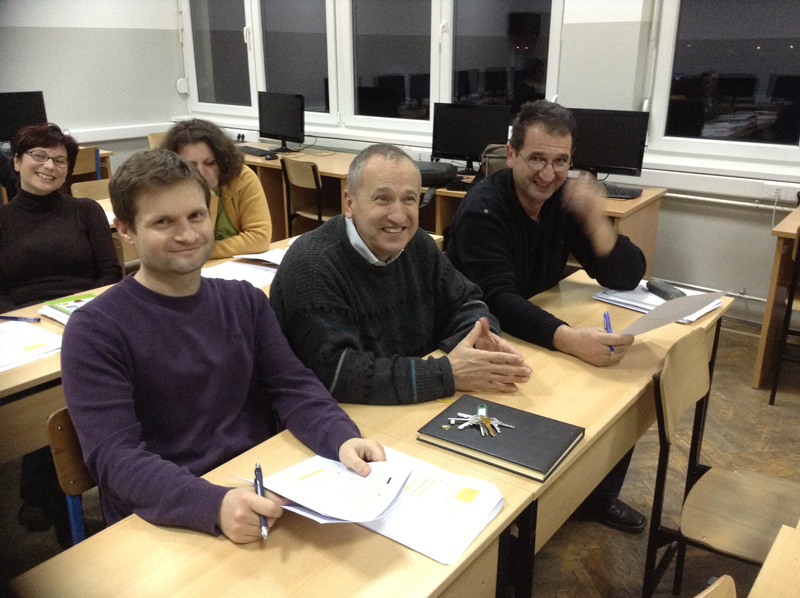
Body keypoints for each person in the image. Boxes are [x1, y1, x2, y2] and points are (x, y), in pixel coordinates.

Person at [60, 149, 384, 542]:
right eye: (163, 222)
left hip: (257, 491)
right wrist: (213, 504)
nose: (187, 235)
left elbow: (293, 385)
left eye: (196, 216)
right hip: (164, 518)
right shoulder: (94, 330)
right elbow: (115, 459)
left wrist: (340, 437)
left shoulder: (244, 301)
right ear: (125, 229)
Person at [446, 100, 647, 533]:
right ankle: (528, 517)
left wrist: (597, 221)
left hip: (535, 323)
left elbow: (628, 275)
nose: (548, 174)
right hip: (484, 333)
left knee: (619, 393)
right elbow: (498, 299)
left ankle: (596, 496)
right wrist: (570, 338)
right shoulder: (484, 209)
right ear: (511, 154)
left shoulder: (562, 201)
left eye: (561, 162)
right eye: (536, 158)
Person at [270, 143, 531, 406]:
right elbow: (335, 373)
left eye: (409, 199)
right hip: (337, 417)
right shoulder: (313, 266)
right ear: (349, 203)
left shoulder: (418, 245)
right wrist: (447, 373)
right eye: (382, 198)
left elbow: (465, 303)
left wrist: (479, 338)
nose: (398, 216)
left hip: (407, 407)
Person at [0, 122, 122, 544]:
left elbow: (110, 274)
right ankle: (51, 498)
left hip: (85, 318)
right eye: (39, 156)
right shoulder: (2, 221)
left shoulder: (85, 211)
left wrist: (84, 314)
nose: (49, 166)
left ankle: (57, 493)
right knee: (43, 398)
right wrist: (26, 318)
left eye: (59, 160)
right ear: (17, 162)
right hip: (25, 327)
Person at [161, 119, 272, 259]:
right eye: (191, 166)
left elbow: (259, 238)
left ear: (222, 161)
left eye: (210, 163)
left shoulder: (243, 178)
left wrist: (203, 252)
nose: (201, 173)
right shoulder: (167, 189)